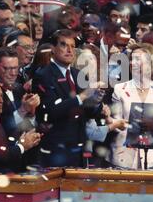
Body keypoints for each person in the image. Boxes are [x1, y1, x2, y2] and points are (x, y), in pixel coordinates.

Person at [32, 29, 103, 167]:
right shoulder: (44, 75)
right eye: (64, 45)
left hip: (78, 150)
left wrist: (95, 103)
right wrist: (82, 96)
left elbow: (86, 113)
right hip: (55, 152)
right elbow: (50, 112)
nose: (70, 50)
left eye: (72, 46)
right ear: (53, 49)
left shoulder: (78, 74)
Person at [109, 43, 153, 169]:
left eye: (138, 59)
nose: (132, 63)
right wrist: (127, 124)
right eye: (132, 59)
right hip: (124, 156)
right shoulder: (120, 89)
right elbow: (115, 122)